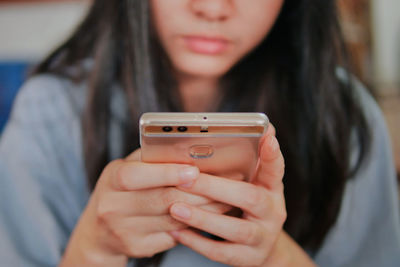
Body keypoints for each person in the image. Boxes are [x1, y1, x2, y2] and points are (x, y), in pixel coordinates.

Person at [0, 0, 399, 266]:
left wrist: (274, 253)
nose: (211, 8)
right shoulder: (48, 113)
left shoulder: (344, 114)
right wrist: (96, 246)